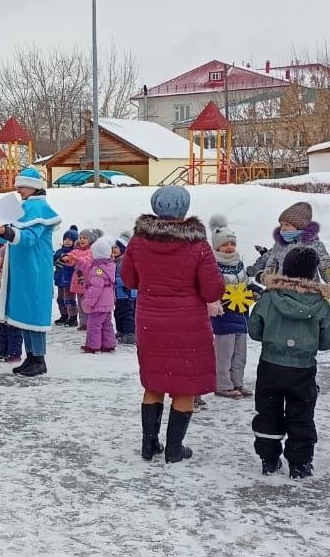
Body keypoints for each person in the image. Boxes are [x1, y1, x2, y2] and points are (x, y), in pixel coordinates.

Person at [121, 186, 225, 464]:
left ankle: (149, 445)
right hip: (186, 324)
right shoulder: (197, 244)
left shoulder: (138, 242)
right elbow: (212, 290)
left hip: (149, 321)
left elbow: (129, 280)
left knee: (154, 382)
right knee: (183, 386)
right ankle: (174, 449)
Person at [249, 247, 330, 479]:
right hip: (303, 369)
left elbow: (255, 330)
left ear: (285, 269)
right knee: (301, 414)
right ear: (312, 275)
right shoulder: (320, 304)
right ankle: (300, 463)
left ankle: (269, 459)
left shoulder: (269, 297)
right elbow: (327, 339)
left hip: (270, 366)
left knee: (268, 411)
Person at [0, 168, 61, 377]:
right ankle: (31, 357)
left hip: (34, 271)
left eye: (22, 185)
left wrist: (3, 231)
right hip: (25, 271)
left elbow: (27, 238)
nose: (18, 189)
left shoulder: (39, 208)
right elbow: (11, 234)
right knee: (26, 314)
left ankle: (39, 359)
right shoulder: (27, 206)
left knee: (34, 314)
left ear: (33, 186)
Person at [208, 215, 252, 399]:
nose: (229, 247)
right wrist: (218, 300)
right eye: (225, 244)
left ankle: (237, 382)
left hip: (241, 314)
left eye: (232, 244)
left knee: (240, 354)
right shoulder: (213, 265)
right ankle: (222, 384)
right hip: (224, 315)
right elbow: (211, 288)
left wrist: (255, 290)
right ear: (217, 246)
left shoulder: (239, 264)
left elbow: (246, 283)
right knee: (224, 353)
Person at [255, 201, 330, 291]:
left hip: (308, 293)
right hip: (282, 292)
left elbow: (326, 266)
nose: (282, 228)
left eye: (287, 225)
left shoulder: (315, 245)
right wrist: (266, 277)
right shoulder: (280, 244)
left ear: (300, 226)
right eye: (281, 224)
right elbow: (271, 265)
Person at [81, 236, 119, 353]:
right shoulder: (108, 266)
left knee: (94, 324)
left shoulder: (98, 270)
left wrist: (88, 302)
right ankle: (108, 343)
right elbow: (88, 267)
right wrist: (78, 263)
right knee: (106, 323)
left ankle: (93, 345)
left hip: (99, 303)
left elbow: (95, 289)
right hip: (108, 301)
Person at [0, 247, 22, 365]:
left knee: (13, 329)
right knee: (1, 329)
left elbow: (12, 283)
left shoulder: (16, 270)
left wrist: (0, 282)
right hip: (0, 305)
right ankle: (2, 351)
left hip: (12, 306)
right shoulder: (0, 270)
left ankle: (14, 352)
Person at [66, 228, 102, 331]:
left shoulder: (92, 251)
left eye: (84, 238)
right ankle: (83, 323)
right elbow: (71, 257)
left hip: (89, 281)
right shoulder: (76, 250)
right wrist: (67, 258)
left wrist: (77, 260)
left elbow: (87, 261)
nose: (81, 240)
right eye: (80, 238)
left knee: (89, 303)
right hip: (78, 281)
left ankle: (90, 322)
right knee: (81, 304)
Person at [53, 226, 79, 327]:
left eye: (70, 240)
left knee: (69, 299)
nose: (67, 242)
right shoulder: (59, 252)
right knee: (60, 299)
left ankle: (73, 317)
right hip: (60, 279)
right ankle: (64, 315)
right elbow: (53, 261)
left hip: (70, 280)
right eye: (65, 239)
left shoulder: (75, 253)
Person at [113, 233, 137, 345]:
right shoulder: (117, 261)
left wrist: (113, 280)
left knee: (127, 314)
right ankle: (121, 331)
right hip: (120, 294)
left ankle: (130, 334)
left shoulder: (124, 262)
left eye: (116, 247)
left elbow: (127, 279)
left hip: (128, 294)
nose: (113, 249)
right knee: (118, 313)